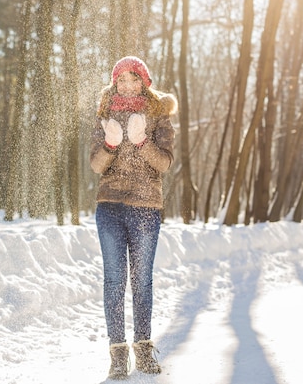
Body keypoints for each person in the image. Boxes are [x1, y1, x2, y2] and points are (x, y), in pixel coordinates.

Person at [90, 56, 177, 380]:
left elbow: (164, 164)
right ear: (115, 83)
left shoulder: (158, 115)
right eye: (121, 80)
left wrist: (141, 141)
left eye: (133, 79)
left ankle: (143, 348)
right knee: (114, 281)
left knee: (142, 281)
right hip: (109, 206)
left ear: (144, 81)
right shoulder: (104, 112)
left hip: (145, 207)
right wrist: (110, 144)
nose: (126, 85)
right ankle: (117, 355)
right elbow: (97, 165)